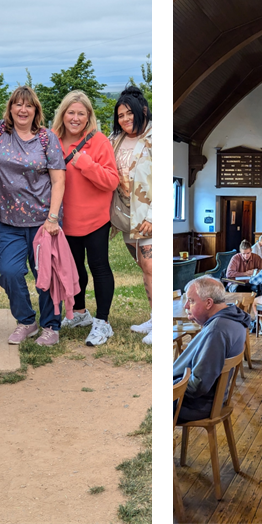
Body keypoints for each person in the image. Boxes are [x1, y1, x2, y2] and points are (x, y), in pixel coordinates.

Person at [0, 85, 66, 347]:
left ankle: (51, 326)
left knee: (46, 275)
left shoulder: (46, 138)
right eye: (18, 104)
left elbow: (59, 180)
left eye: (28, 105)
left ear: (36, 110)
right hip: (8, 221)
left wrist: (52, 219)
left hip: (42, 221)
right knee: (9, 272)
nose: (23, 109)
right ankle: (26, 321)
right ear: (11, 108)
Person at [52, 90, 120, 347]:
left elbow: (111, 181)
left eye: (81, 113)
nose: (76, 117)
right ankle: (79, 312)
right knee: (74, 269)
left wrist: (85, 163)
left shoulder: (99, 142)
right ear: (63, 114)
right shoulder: (53, 140)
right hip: (64, 219)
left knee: (99, 267)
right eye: (71, 112)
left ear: (89, 116)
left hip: (95, 219)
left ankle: (102, 322)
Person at [175, 277, 252, 422]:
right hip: (212, 397)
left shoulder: (217, 330)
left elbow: (199, 385)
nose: (186, 306)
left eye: (191, 301)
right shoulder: (233, 317)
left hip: (196, 404)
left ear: (209, 303)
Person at [110, 86, 153, 342]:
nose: (125, 119)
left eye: (129, 114)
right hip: (125, 215)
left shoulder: (153, 138)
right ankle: (153, 316)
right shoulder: (115, 139)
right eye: (121, 115)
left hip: (145, 215)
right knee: (144, 267)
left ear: (142, 111)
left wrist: (152, 216)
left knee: (151, 266)